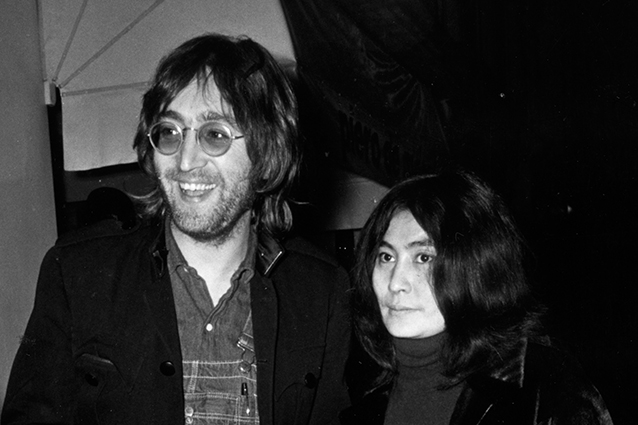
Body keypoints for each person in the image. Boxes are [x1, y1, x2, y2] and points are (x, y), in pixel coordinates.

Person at [2, 33, 351, 425]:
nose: (185, 161)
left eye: (215, 134)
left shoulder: (321, 292)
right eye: (169, 132)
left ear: (266, 153)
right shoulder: (77, 273)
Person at [340, 168, 613, 425]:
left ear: (476, 267)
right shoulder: (362, 393)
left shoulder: (544, 390)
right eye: (386, 257)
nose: (395, 283)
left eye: (423, 257)